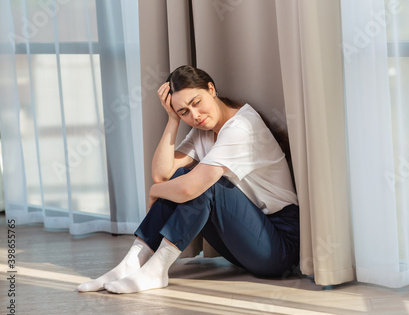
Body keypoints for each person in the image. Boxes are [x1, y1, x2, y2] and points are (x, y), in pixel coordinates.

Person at [77, 65, 299, 294]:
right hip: (245, 242)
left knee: (202, 184)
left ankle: (156, 269)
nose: (195, 116)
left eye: (196, 102)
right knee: (186, 180)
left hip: (279, 246)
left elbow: (185, 187)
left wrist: (155, 191)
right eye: (184, 112)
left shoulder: (241, 126)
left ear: (211, 89)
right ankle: (130, 263)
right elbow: (162, 173)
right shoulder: (203, 129)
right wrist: (172, 121)